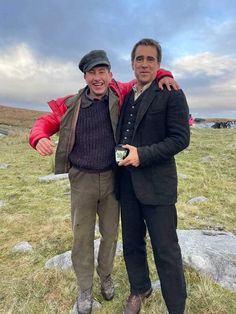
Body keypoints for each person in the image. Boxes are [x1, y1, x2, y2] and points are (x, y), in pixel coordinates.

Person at [29, 49, 178, 314]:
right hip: (82, 180)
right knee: (82, 237)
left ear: (110, 74)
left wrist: (165, 74)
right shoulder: (71, 104)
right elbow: (45, 121)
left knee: (110, 235)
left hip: (112, 179)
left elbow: (145, 76)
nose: (97, 78)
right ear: (85, 76)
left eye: (102, 72)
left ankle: (106, 276)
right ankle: (85, 288)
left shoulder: (119, 94)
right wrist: (38, 137)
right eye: (92, 73)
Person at [116, 38, 190, 314]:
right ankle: (140, 289)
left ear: (159, 64)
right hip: (126, 185)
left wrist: (143, 155)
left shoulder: (171, 92)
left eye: (150, 59)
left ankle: (176, 307)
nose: (144, 63)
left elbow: (181, 138)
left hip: (158, 185)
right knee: (132, 243)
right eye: (139, 58)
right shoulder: (126, 95)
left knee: (166, 250)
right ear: (132, 62)